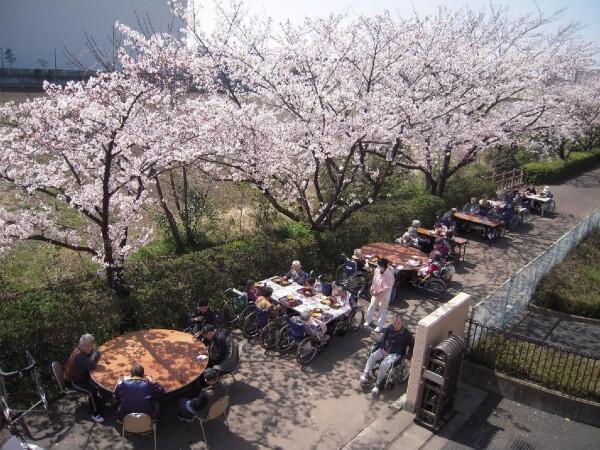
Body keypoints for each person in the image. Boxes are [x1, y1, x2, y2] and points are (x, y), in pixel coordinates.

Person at [359, 315, 414, 396]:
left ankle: (378, 385)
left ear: (402, 323)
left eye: (398, 323)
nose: (396, 325)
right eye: (395, 323)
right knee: (373, 356)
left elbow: (412, 345)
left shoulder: (406, 334)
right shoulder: (389, 328)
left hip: (395, 353)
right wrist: (382, 349)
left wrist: (408, 357)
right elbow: (383, 339)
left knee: (383, 365)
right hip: (384, 349)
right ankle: (365, 374)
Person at [64, 333, 107, 423]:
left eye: (92, 344)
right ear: (84, 345)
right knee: (92, 391)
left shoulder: (82, 350)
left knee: (98, 383)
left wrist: (93, 355)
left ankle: (100, 401)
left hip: (82, 377)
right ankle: (95, 413)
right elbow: (91, 365)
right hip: (74, 382)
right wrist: (94, 356)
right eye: (90, 345)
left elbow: (96, 353)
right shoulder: (80, 355)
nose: (92, 347)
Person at [364, 258, 396, 333]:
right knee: (371, 307)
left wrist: (378, 292)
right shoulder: (376, 270)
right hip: (375, 293)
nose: (377, 266)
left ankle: (379, 326)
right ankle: (368, 321)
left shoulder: (389, 274)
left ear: (383, 266)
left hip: (384, 296)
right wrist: (372, 288)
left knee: (382, 311)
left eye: (378, 265)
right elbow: (374, 280)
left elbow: (388, 287)